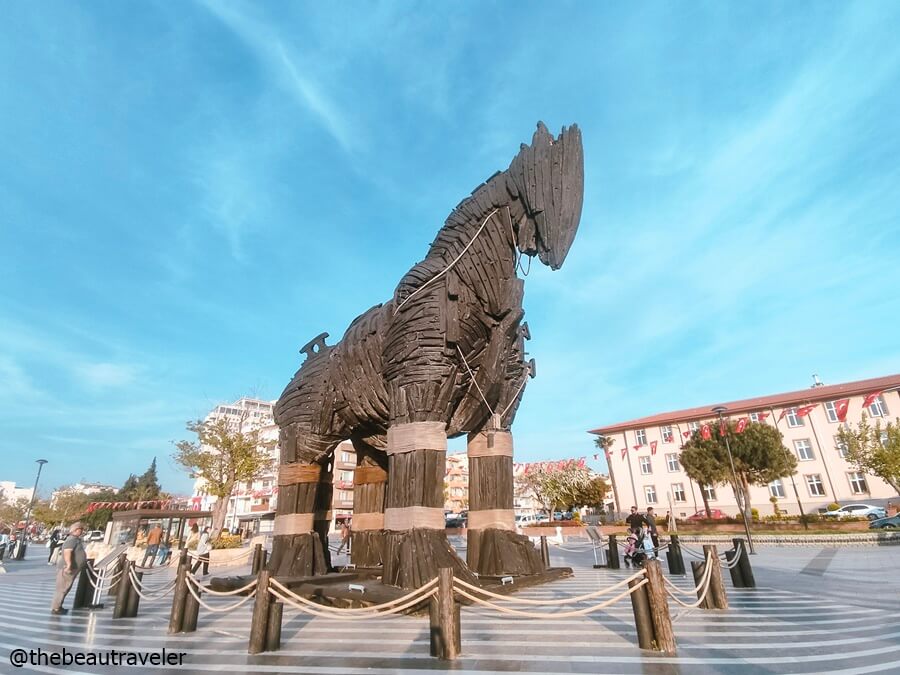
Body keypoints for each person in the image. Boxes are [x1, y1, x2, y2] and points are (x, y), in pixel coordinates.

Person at [51, 522, 87, 615]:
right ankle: (56, 608)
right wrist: (69, 565)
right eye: (80, 529)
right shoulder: (72, 540)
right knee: (62, 588)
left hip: (72, 568)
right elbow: (68, 552)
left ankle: (59, 606)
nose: (82, 531)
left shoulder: (76, 540)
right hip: (67, 568)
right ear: (75, 530)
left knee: (65, 587)